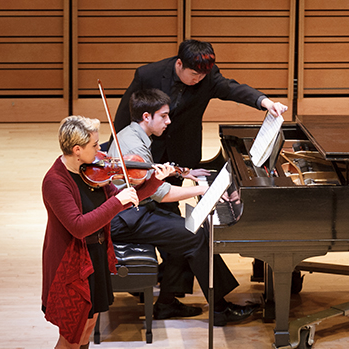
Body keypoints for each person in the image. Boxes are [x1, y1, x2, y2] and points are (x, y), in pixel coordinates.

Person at [113, 38, 289, 300]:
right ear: (179, 64)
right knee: (179, 225)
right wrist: (128, 158)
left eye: (203, 75)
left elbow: (233, 89)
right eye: (194, 74)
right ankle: (166, 291)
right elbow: (124, 117)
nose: (198, 80)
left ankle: (171, 291)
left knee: (177, 223)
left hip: (179, 158)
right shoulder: (147, 74)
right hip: (147, 159)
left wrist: (264, 102)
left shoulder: (207, 77)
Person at [41, 115, 176, 349]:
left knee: (87, 325)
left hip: (95, 257)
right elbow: (78, 225)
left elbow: (129, 195)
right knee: (70, 336)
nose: (100, 150)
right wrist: (117, 202)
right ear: (76, 150)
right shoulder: (56, 182)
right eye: (93, 145)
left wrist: (154, 182)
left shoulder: (91, 172)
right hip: (71, 265)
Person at [109, 88, 258, 326]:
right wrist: (204, 189)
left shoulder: (131, 135)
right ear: (146, 117)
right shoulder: (134, 147)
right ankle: (219, 310)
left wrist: (187, 173)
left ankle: (167, 303)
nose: (169, 121)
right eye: (164, 116)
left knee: (185, 232)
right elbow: (161, 193)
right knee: (195, 233)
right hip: (127, 218)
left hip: (137, 209)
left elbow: (150, 171)